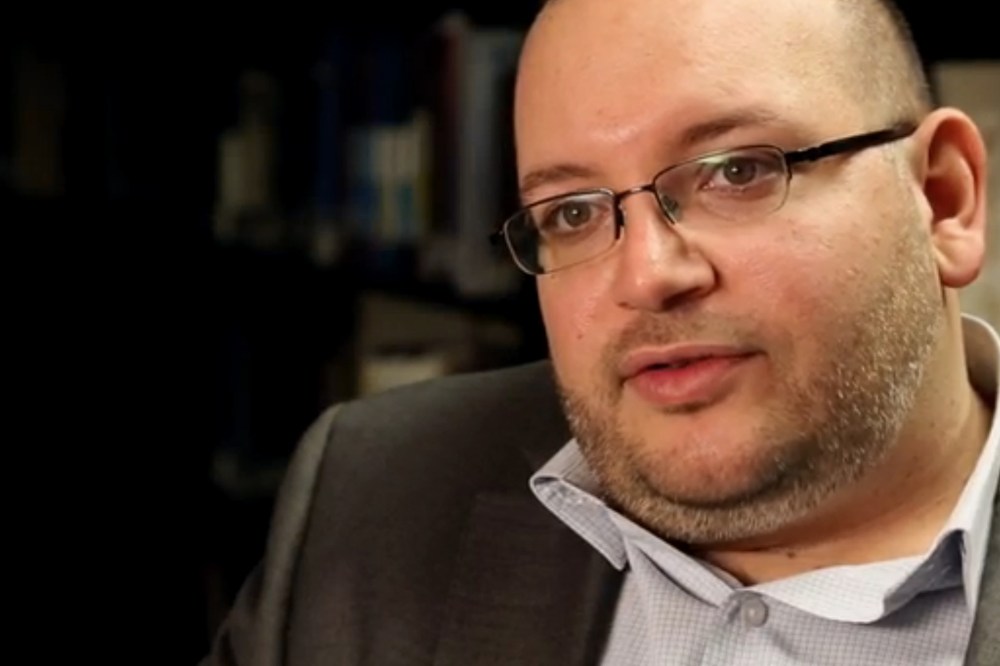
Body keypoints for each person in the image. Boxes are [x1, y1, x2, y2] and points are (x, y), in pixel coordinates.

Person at [201, 0, 998, 663]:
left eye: (738, 171)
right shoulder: (379, 492)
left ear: (943, 197)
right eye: (573, 213)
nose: (647, 275)